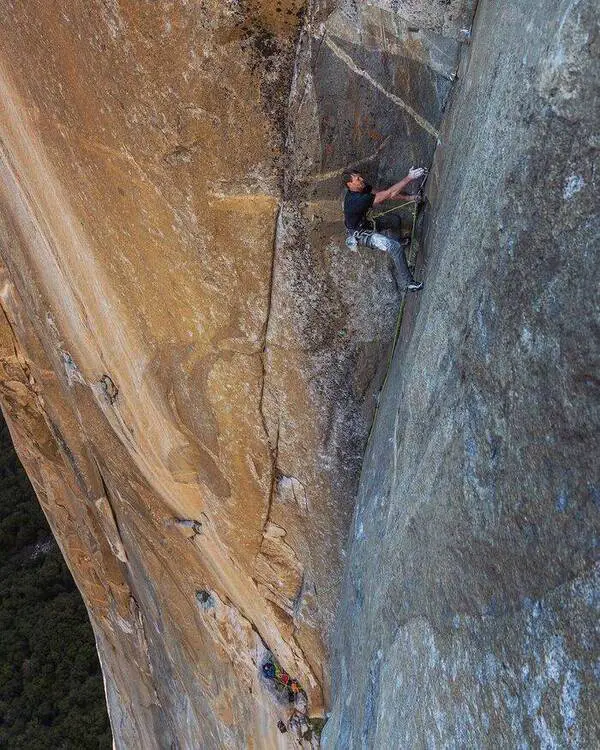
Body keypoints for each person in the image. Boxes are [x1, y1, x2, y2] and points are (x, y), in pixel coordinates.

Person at [343, 167, 426, 291]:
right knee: (395, 248)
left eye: (360, 177)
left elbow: (386, 195)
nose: (362, 179)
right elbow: (388, 193)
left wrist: (410, 198)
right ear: (350, 184)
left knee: (393, 220)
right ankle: (409, 283)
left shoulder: (363, 188)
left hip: (365, 224)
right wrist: (409, 177)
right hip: (359, 235)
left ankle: (400, 246)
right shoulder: (356, 200)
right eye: (357, 179)